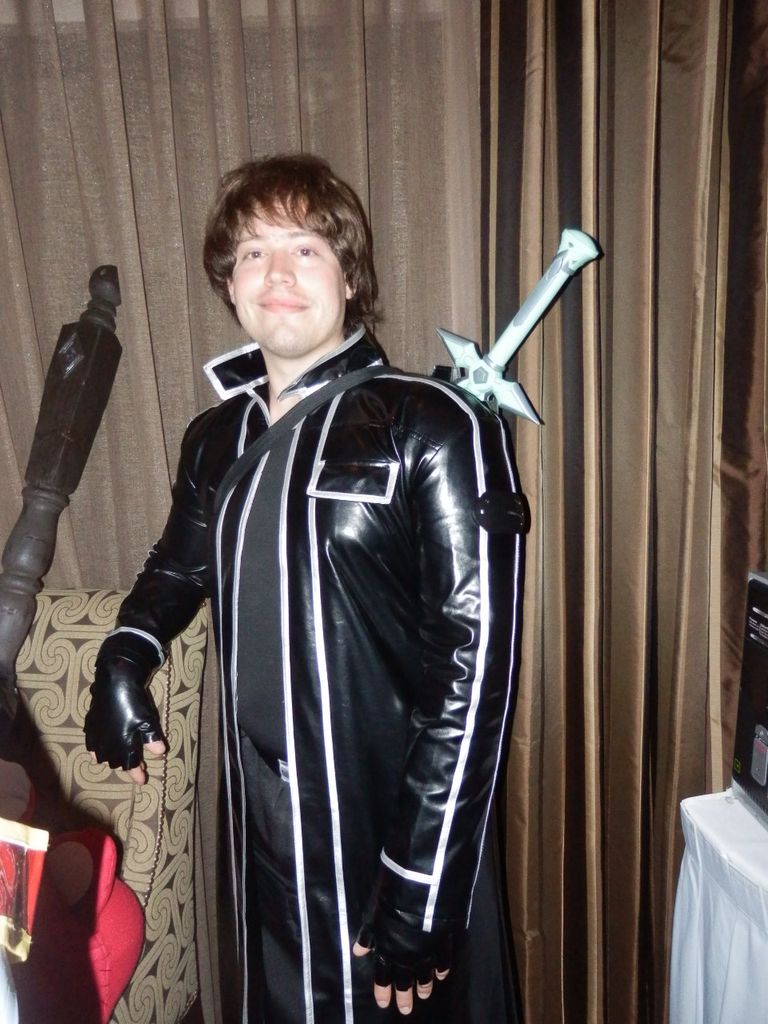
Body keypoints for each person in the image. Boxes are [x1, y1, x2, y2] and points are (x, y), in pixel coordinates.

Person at [84, 154, 525, 1024]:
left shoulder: (432, 424)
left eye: (306, 249)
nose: (277, 273)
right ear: (229, 284)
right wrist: (125, 654)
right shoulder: (217, 437)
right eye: (253, 253)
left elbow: (474, 673)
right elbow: (177, 568)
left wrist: (423, 881)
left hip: (389, 832)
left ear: (350, 278)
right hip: (258, 828)